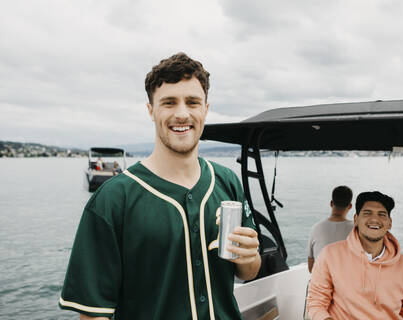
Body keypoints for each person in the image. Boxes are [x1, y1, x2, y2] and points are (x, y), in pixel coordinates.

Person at [59, 53, 261, 320]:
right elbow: (93, 313)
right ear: (151, 110)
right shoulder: (113, 199)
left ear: (205, 109)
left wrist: (248, 257)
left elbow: (249, 272)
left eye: (192, 102)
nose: (182, 114)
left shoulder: (227, 181)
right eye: (168, 103)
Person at [306, 191, 403, 320]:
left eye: (381, 214)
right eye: (367, 213)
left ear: (389, 223)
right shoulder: (330, 255)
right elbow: (316, 303)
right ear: (355, 219)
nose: (375, 219)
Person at [307, 185, 353, 273]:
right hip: (345, 284)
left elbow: (311, 268)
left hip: (320, 283)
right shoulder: (356, 230)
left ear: (331, 203)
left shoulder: (316, 228)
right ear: (350, 206)